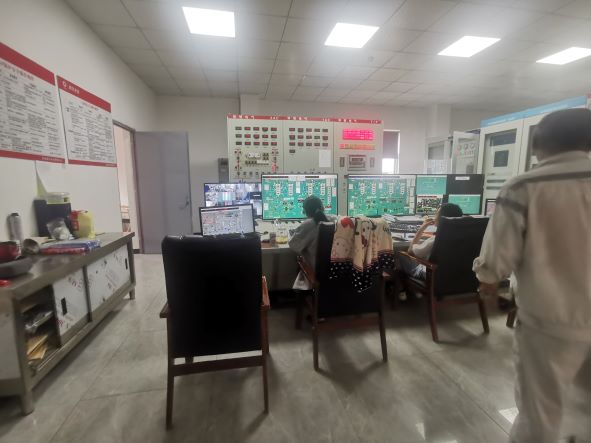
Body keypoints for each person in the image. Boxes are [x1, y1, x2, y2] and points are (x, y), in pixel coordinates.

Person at [473, 108, 591, 443]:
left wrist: (488, 287)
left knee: (541, 414)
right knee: (585, 413)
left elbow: (495, 262)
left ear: (537, 145)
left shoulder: (523, 187)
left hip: (549, 323)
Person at [397, 203, 463, 281]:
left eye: (436, 214)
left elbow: (411, 251)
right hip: (456, 278)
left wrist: (421, 228)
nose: (435, 217)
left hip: (433, 277)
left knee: (401, 256)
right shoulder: (464, 237)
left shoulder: (436, 239)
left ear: (441, 219)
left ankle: (400, 288)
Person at [288, 196, 336, 290]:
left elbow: (294, 245)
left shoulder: (308, 224)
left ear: (305, 211)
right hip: (335, 273)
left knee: (299, 260)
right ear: (322, 207)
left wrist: (292, 234)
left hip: (315, 274)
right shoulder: (334, 220)